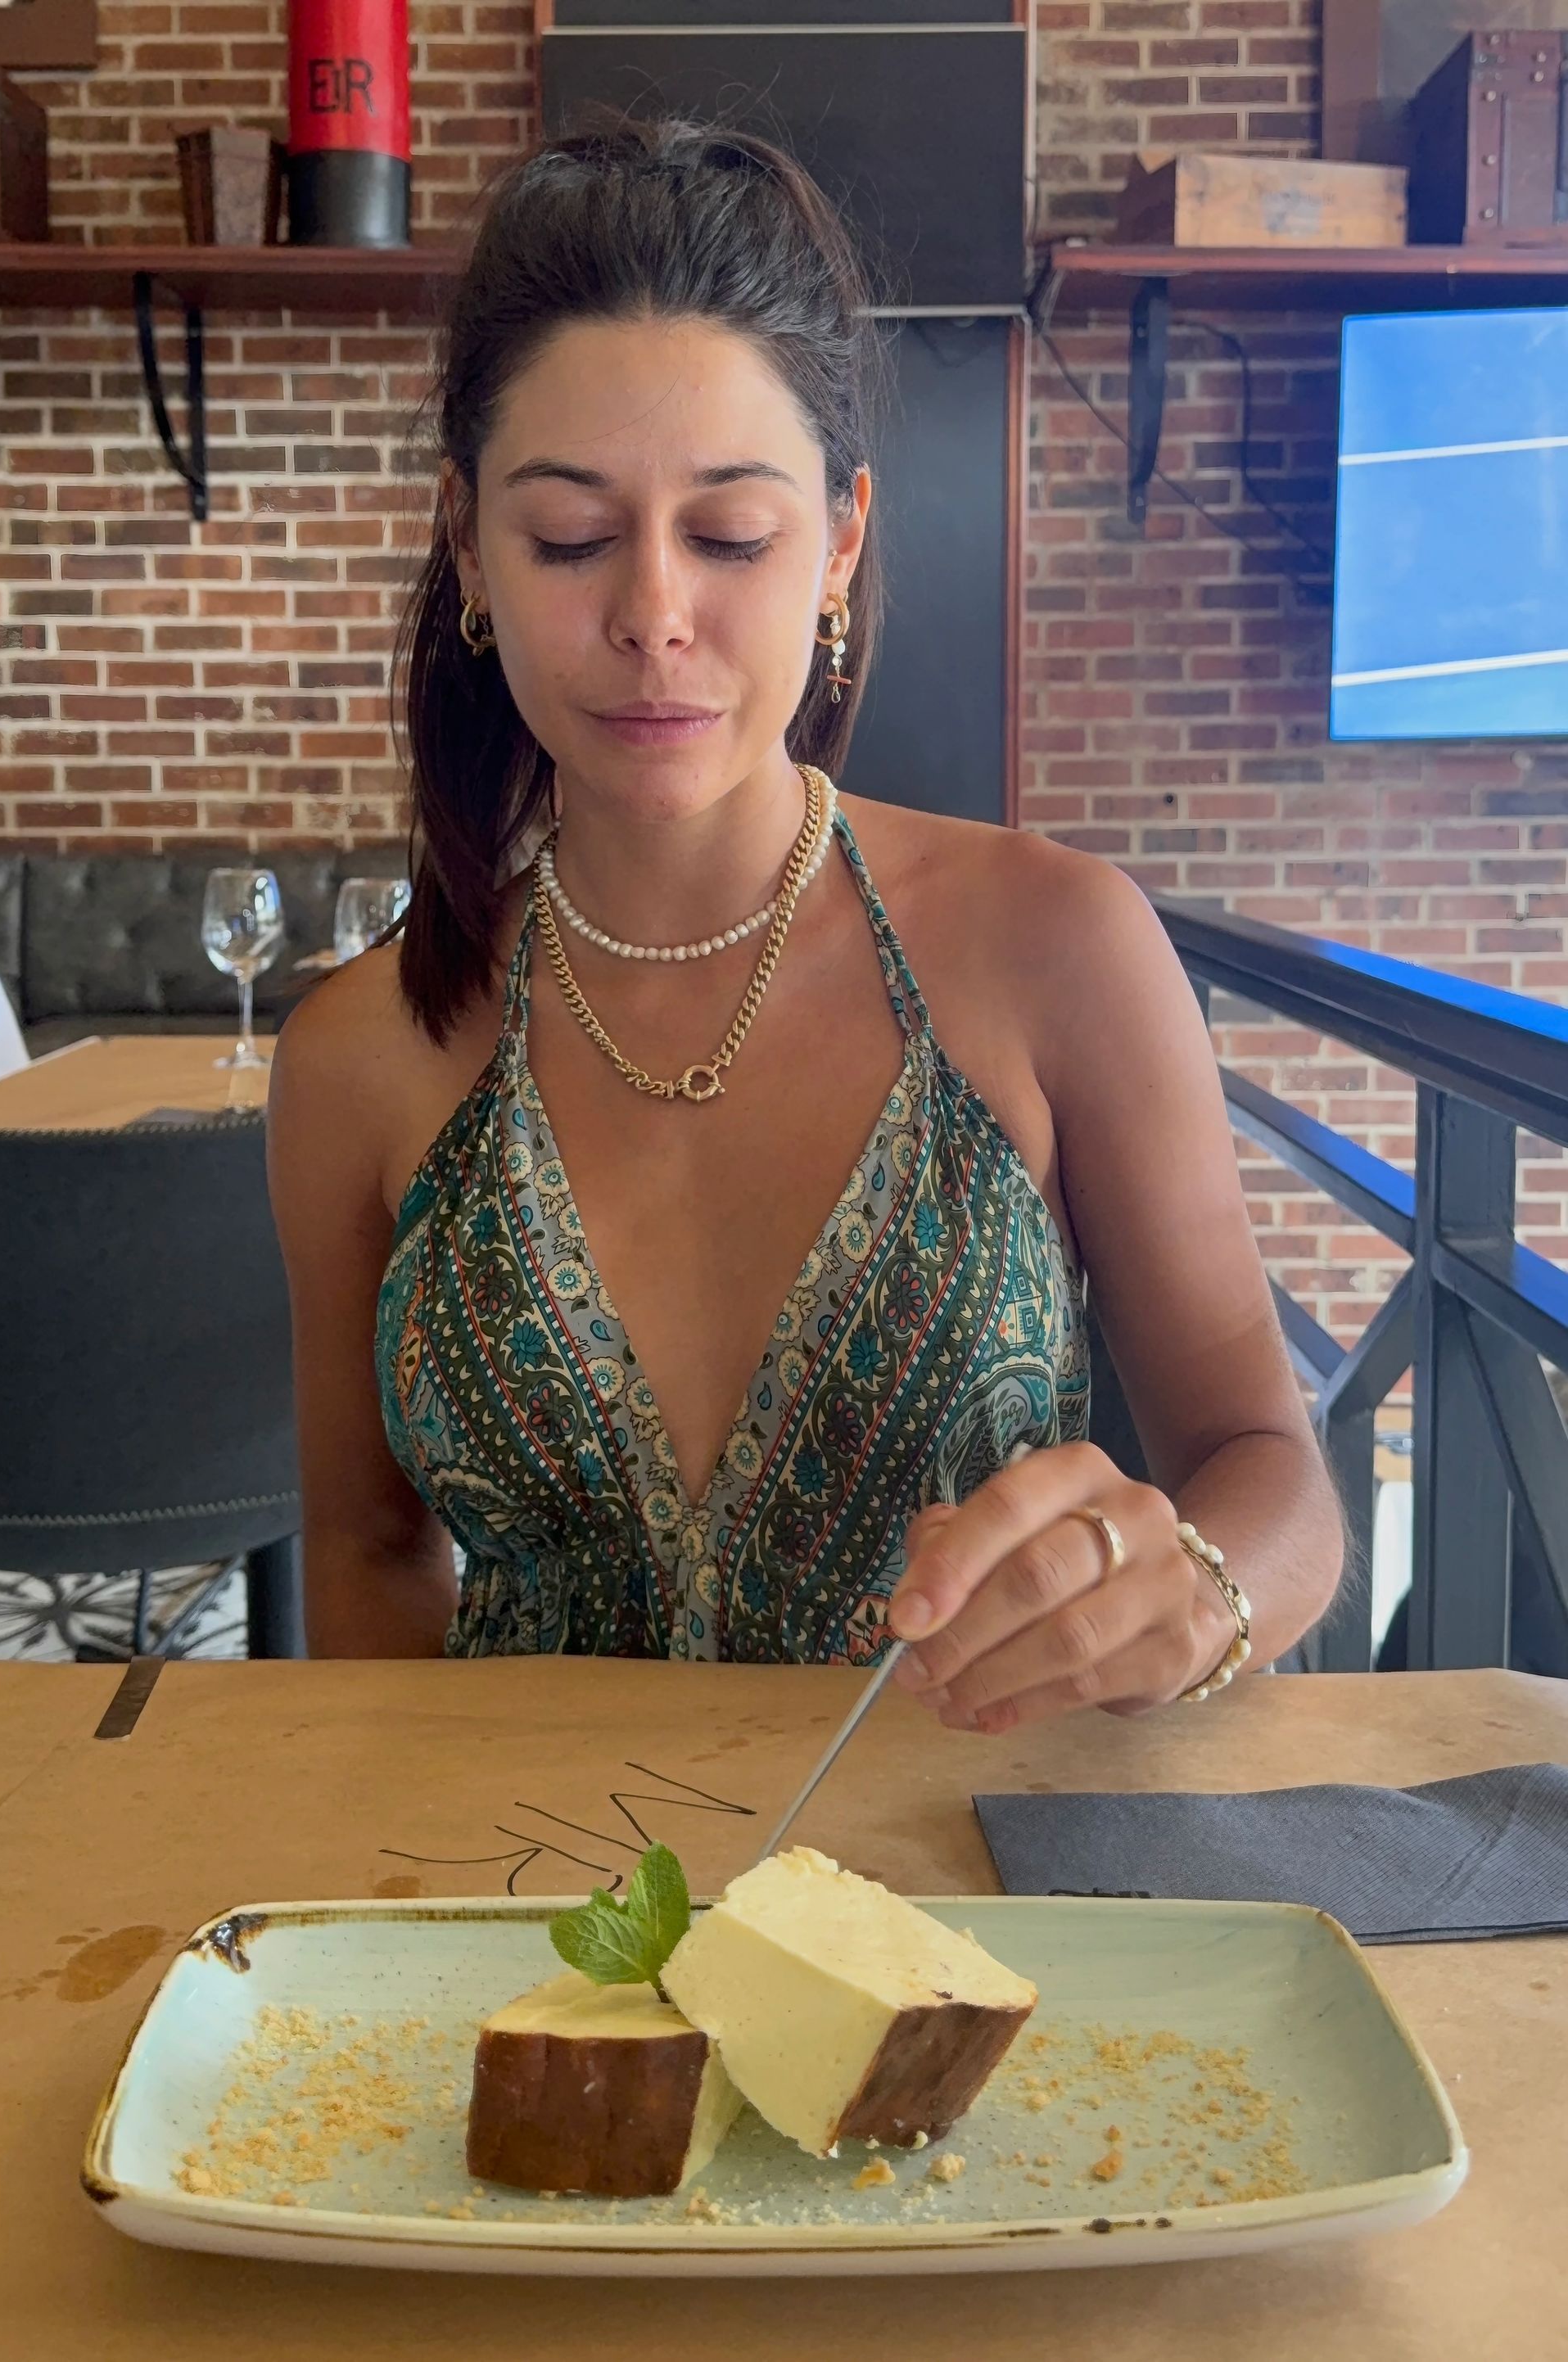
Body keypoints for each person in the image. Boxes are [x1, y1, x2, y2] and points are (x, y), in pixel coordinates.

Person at [267, 119, 1343, 1728]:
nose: (651, 613)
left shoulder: (1054, 946)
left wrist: (1196, 1588)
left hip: (981, 1914)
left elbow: (1276, 1474)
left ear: (837, 543)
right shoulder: (360, 1055)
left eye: (731, 534)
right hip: (541, 1942)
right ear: (468, 547)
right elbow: (366, 1557)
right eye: (569, 537)